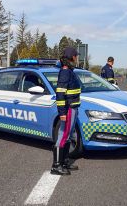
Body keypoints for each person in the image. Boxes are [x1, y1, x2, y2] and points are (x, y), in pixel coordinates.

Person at [51, 47, 81, 175]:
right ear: (72, 57)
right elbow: (60, 94)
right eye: (76, 56)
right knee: (63, 136)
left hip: (73, 108)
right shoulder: (65, 72)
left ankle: (64, 161)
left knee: (67, 136)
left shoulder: (69, 70)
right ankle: (56, 165)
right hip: (68, 109)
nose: (77, 57)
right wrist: (62, 113)